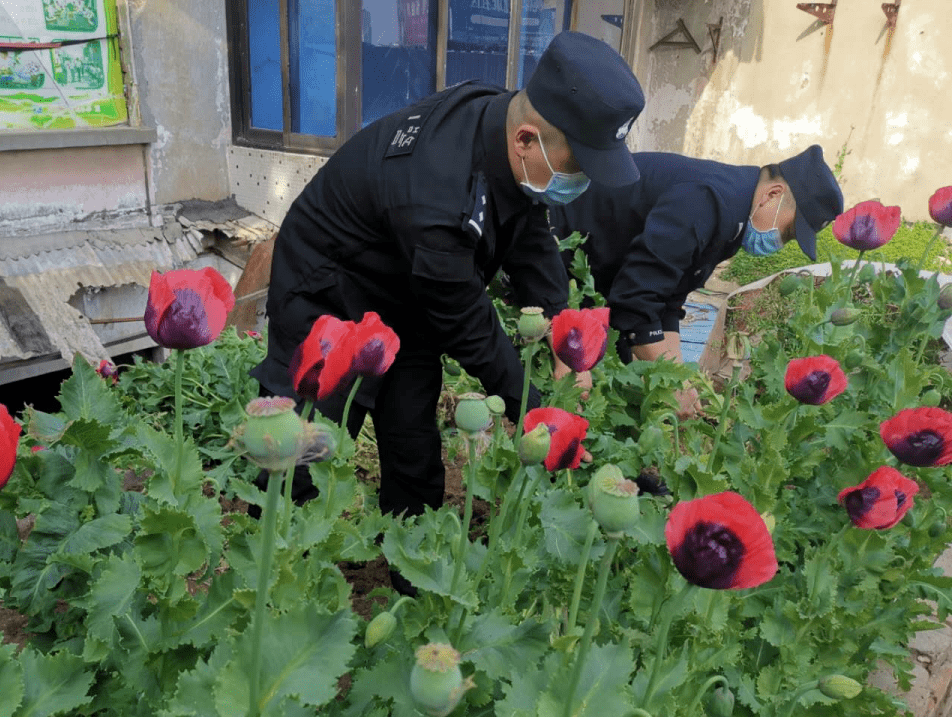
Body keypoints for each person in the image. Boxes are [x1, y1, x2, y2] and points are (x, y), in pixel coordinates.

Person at [250, 31, 645, 518]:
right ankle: (278, 562)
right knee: (306, 443)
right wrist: (532, 408)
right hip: (331, 284)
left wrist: (562, 327)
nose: (582, 183)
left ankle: (412, 565)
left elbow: (528, 228)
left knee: (412, 439)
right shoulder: (437, 196)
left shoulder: (502, 129)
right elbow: (464, 320)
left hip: (405, 292)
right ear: (526, 140)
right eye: (580, 166)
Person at [548, 145, 844, 414]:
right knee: (572, 385)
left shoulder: (734, 218)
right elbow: (636, 305)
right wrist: (673, 384)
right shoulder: (710, 201)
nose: (782, 242)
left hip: (607, 272)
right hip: (559, 255)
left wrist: (683, 380)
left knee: (623, 376)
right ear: (773, 195)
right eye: (789, 232)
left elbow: (667, 299)